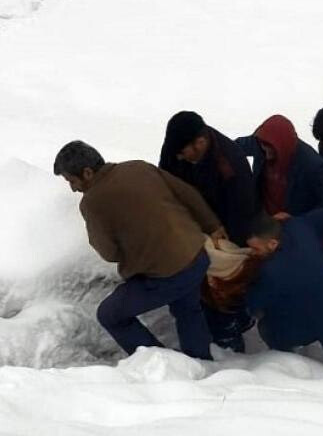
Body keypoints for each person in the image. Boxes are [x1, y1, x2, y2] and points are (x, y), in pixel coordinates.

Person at [54, 140, 225, 361]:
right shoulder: (139, 167)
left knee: (110, 315)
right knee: (187, 308)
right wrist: (212, 226)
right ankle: (201, 362)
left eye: (71, 180)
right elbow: (187, 194)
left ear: (87, 172)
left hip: (166, 276)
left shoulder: (92, 202)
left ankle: (162, 363)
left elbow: (109, 253)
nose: (73, 188)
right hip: (196, 255)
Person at [245, 213, 323, 380]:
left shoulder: (273, 271)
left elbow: (254, 304)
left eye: (256, 249)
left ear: (273, 243)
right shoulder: (299, 228)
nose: (253, 253)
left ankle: (284, 364)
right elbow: (318, 214)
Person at [159, 111, 257, 245]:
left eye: (182, 153)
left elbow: (241, 214)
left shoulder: (233, 166)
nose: (178, 158)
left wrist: (230, 240)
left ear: (200, 143)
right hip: (185, 215)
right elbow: (165, 180)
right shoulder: (175, 146)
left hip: (222, 222)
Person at [236, 114, 323, 234]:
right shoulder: (261, 143)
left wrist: (297, 219)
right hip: (261, 216)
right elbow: (232, 148)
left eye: (272, 148)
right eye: (264, 146)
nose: (267, 153)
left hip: (293, 224)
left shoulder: (312, 164)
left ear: (282, 144)